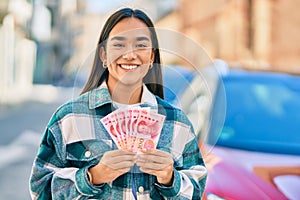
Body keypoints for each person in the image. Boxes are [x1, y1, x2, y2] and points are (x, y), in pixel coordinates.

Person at [29, 7, 207, 199]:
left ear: (151, 58)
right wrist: (92, 177)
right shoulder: (69, 118)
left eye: (140, 45)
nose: (130, 55)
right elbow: (39, 190)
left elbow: (197, 190)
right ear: (104, 55)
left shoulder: (177, 122)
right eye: (119, 45)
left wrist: (170, 179)